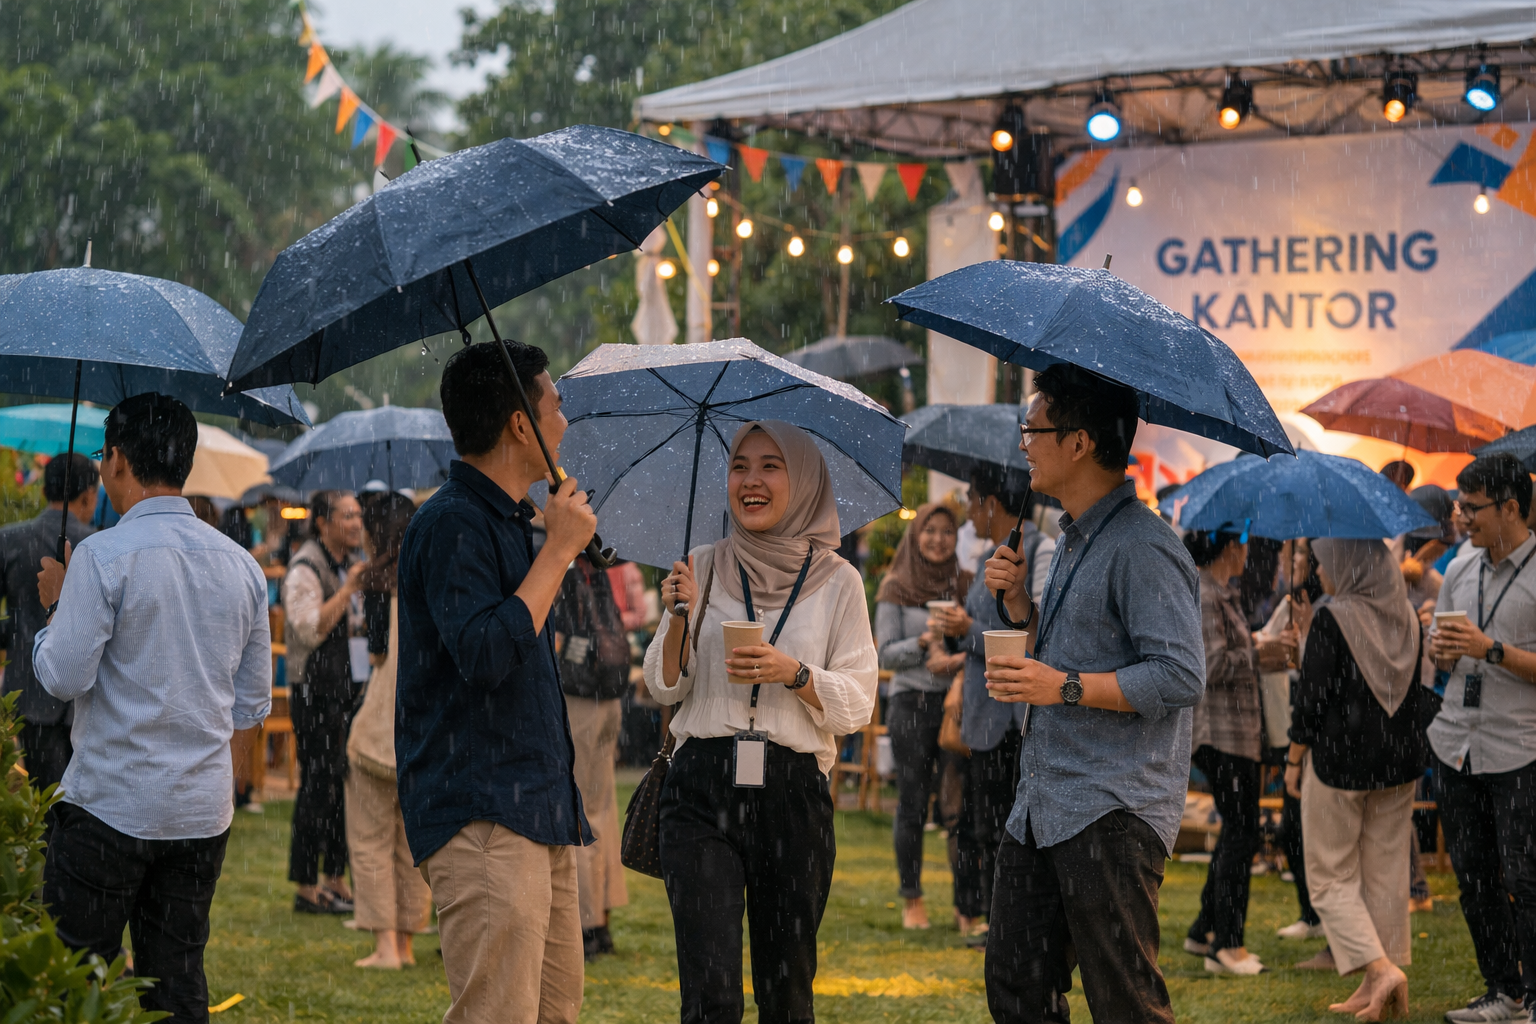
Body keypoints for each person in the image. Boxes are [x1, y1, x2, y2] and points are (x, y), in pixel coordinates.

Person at [33, 393, 270, 1023]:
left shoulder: (103, 556)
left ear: (114, 461)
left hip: (109, 805)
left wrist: (56, 607)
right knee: (177, 979)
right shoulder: (243, 566)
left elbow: (61, 676)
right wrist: (220, 790)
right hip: (198, 816)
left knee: (80, 974)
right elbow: (251, 704)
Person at [981, 363, 1204, 1024]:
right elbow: (1072, 652)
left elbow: (1179, 675)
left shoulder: (1143, 546)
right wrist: (1019, 603)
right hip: (1044, 800)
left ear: (1078, 441)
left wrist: (1064, 686)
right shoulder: (1074, 539)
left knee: (1124, 1001)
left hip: (1111, 806)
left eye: (1035, 427)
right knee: (1017, 985)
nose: (1024, 442)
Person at [646, 420, 877, 1024]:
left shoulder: (840, 582)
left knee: (786, 992)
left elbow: (857, 703)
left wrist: (793, 672)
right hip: (700, 787)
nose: (751, 481)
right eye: (739, 466)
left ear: (802, 480)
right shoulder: (701, 566)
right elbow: (666, 684)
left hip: (793, 793)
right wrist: (677, 617)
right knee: (711, 993)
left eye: (771, 466)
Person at [396, 341, 596, 1024]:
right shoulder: (451, 522)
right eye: (555, 405)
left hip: (536, 807)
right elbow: (484, 654)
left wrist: (554, 546)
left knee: (553, 1014)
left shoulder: (513, 521)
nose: (564, 422)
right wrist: (559, 552)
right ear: (520, 423)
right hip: (483, 810)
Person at [1285, 537, 1425, 1022]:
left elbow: (1312, 699)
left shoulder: (1334, 615)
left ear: (1347, 564)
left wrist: (1292, 759)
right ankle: (1377, 981)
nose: (1319, 573)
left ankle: (1380, 970)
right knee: (1383, 874)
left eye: (1323, 562)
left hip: (1340, 764)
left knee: (1328, 877)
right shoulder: (1405, 615)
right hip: (1399, 763)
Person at [1427, 455, 1536, 1024]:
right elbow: (1443, 638)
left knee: (1525, 877)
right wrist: (1440, 648)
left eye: (1472, 508)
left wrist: (1490, 649)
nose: (1461, 518)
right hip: (1456, 741)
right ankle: (1505, 992)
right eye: (1459, 505)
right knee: (1474, 877)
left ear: (1511, 508)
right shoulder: (1461, 565)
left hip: (1519, 746)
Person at [928, 467, 1056, 941]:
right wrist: (957, 635)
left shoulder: (1041, 551)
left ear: (992, 504)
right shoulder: (986, 556)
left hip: (1020, 718)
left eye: (970, 499)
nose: (966, 509)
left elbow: (1032, 638)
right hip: (987, 716)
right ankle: (991, 915)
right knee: (983, 824)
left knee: (1013, 828)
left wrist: (970, 633)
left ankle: (1010, 919)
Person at [1182, 525, 1295, 975]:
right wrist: (1260, 655)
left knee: (1238, 828)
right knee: (1242, 830)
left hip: (1234, 731)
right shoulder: (1207, 595)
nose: (1247, 553)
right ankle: (1227, 945)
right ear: (1229, 548)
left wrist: (1256, 647)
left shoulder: (1217, 592)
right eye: (1242, 545)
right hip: (1220, 731)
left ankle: (1204, 929)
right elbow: (1207, 664)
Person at [874, 502, 972, 931]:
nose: (937, 539)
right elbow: (884, 653)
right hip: (911, 703)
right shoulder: (896, 585)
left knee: (959, 807)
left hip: (957, 704)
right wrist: (923, 640)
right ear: (916, 537)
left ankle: (965, 903)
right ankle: (912, 897)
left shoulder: (967, 585)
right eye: (929, 531)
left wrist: (961, 629)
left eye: (946, 532)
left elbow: (983, 638)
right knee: (913, 803)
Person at [345, 491, 430, 970]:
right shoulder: (429, 577)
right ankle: (409, 942)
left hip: (379, 728)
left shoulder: (377, 578)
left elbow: (375, 656)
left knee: (371, 838)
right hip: (421, 733)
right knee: (411, 843)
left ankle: (384, 945)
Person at [0, 452, 97, 820]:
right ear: (88, 495)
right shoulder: (99, 544)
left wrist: (19, 631)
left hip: (30, 693)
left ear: (43, 489)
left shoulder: (10, 540)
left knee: (45, 806)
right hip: (85, 698)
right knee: (82, 810)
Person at [282, 489, 363, 915]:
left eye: (358, 516)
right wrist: (348, 589)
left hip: (344, 690)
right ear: (323, 522)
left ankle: (335, 877)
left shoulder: (348, 562)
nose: (355, 523)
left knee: (340, 785)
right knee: (316, 786)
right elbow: (307, 629)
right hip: (313, 692)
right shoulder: (305, 567)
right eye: (347, 516)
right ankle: (305, 885)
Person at [550, 552, 632, 960]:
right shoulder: (596, 562)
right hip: (609, 694)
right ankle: (599, 922)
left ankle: (583, 927)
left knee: (578, 810)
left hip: (578, 696)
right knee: (599, 810)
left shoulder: (559, 563)